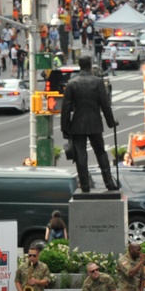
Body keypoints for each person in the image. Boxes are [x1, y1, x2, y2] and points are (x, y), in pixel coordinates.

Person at [61, 55, 119, 193]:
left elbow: (66, 108)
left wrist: (65, 128)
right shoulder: (97, 82)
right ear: (90, 65)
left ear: (80, 65)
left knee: (81, 155)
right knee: (100, 152)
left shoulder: (72, 83)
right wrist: (111, 122)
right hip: (95, 123)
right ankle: (109, 182)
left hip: (77, 124)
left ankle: (85, 185)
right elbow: (105, 105)